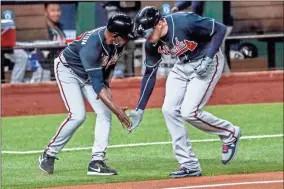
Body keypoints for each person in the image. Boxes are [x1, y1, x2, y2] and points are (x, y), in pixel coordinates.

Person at [128, 6, 241, 178]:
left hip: (208, 62)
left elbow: (220, 29)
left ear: (160, 23)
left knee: (189, 112)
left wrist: (209, 58)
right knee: (168, 110)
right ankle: (189, 164)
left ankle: (229, 133)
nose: (147, 37)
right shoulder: (151, 44)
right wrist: (140, 108)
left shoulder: (185, 21)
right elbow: (149, 74)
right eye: (144, 34)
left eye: (148, 32)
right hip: (182, 66)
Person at [38, 14, 133, 176]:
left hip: (90, 75)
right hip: (68, 70)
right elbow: (97, 86)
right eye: (126, 36)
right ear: (116, 35)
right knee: (78, 115)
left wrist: (110, 99)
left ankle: (96, 162)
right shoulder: (92, 45)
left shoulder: (116, 43)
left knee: (104, 113)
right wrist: (118, 112)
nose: (128, 39)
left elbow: (108, 71)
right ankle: (49, 154)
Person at [171, 1, 232, 73]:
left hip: (222, 23)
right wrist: (179, 6)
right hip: (204, 24)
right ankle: (220, 72)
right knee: (212, 48)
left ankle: (225, 73)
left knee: (218, 47)